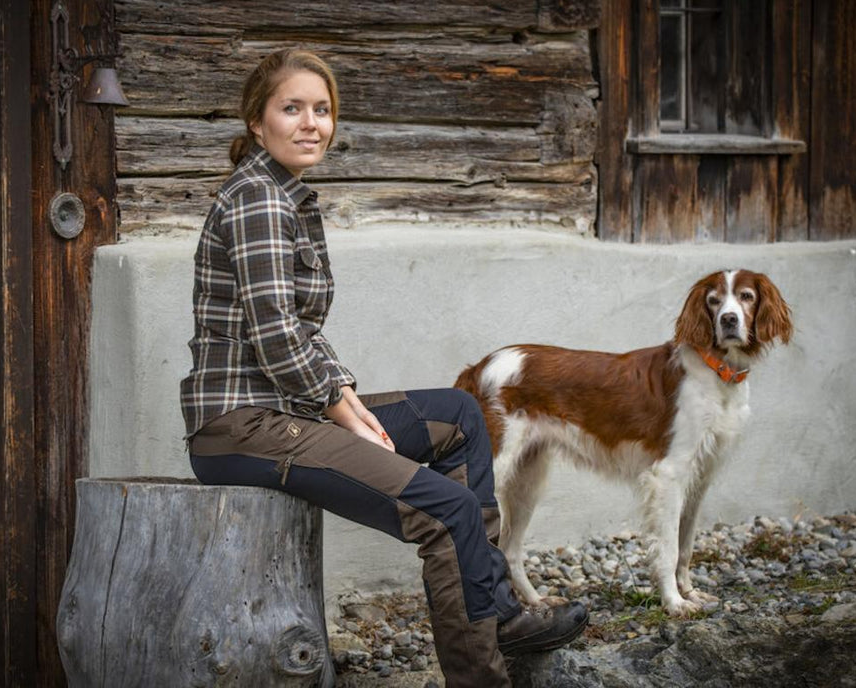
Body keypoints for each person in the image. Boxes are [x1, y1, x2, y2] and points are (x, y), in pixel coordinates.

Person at [180, 48, 587, 687]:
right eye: (292, 109)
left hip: (283, 412)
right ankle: (482, 671)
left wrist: (344, 394)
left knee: (460, 415)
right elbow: (277, 336)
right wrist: (345, 413)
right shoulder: (258, 199)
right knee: (447, 510)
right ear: (257, 123)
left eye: (322, 110)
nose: (311, 124)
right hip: (245, 428)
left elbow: (301, 333)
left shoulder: (283, 195)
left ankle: (495, 614)